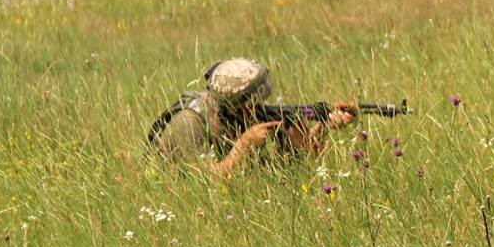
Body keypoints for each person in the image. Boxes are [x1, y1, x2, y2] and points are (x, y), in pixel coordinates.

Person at [148, 58, 356, 176]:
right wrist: (245, 144)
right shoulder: (190, 122)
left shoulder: (236, 114)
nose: (258, 109)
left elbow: (291, 167)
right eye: (252, 105)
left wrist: (323, 126)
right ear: (235, 104)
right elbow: (203, 180)